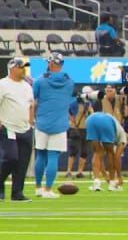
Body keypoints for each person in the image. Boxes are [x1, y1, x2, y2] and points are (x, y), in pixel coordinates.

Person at [31, 53, 75, 199]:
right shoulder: (69, 82)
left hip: (42, 122)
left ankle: (38, 187)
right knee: (53, 157)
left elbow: (33, 99)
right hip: (60, 123)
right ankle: (48, 189)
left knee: (41, 156)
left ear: (50, 64)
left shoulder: (39, 80)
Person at [0, 57, 35, 202]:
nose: (24, 70)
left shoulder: (27, 86)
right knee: (11, 158)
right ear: (13, 68)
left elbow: (31, 105)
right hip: (8, 127)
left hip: (25, 128)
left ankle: (17, 193)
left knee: (22, 162)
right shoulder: (3, 84)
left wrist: (31, 123)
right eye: (21, 67)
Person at [84, 110, 123, 192]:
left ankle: (96, 183)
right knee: (110, 153)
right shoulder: (123, 138)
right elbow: (116, 158)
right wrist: (119, 177)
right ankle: (112, 184)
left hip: (90, 119)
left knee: (97, 152)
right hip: (105, 122)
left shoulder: (117, 131)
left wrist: (105, 176)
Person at [66, 93, 90, 179]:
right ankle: (69, 171)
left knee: (85, 151)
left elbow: (91, 113)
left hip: (85, 129)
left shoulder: (88, 104)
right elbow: (69, 112)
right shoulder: (73, 104)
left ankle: (80, 171)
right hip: (76, 129)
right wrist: (73, 122)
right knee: (74, 150)